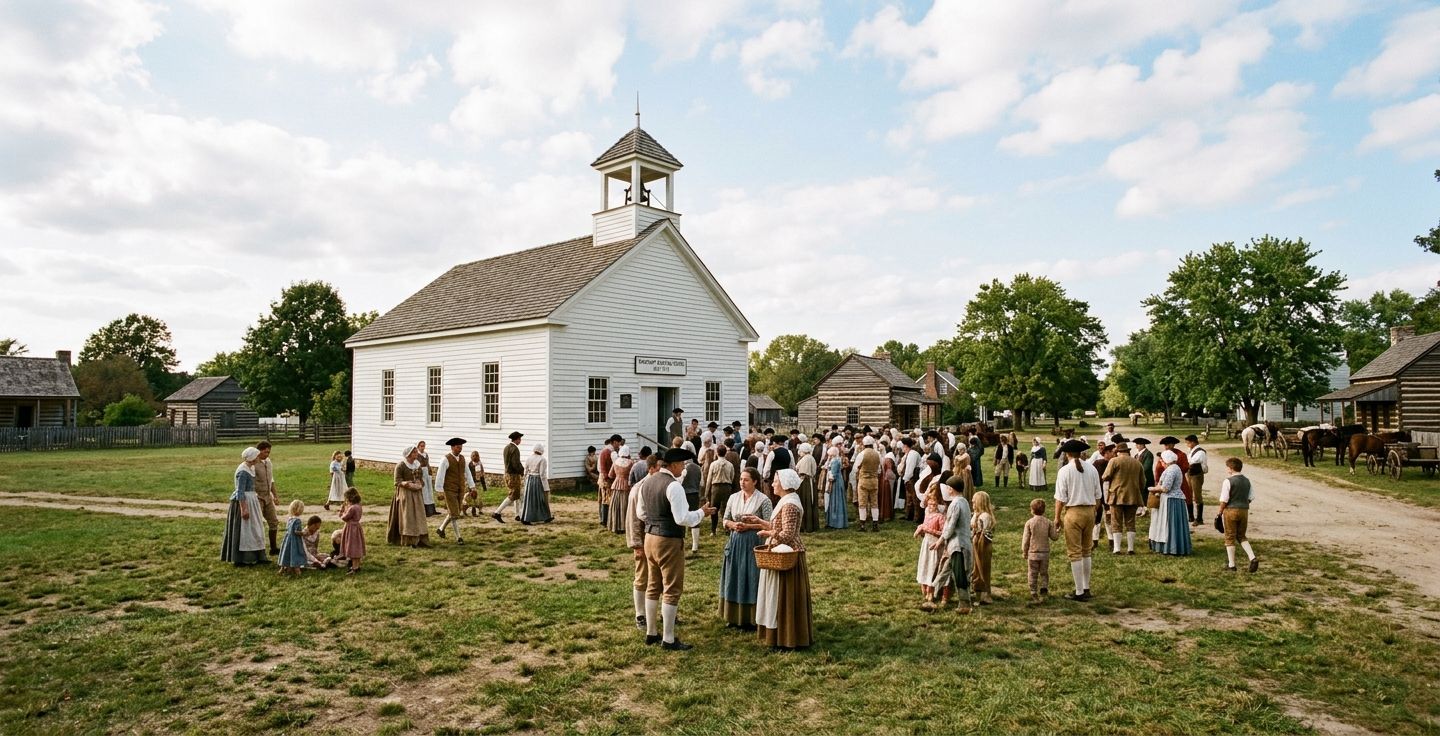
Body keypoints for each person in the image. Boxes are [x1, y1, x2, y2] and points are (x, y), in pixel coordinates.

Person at [637, 447, 717, 650]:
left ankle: (651, 632)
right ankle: (669, 638)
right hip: (668, 539)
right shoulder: (673, 486)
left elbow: (641, 512)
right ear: (672, 465)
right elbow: (682, 518)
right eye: (681, 464)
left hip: (649, 537)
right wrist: (701, 513)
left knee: (653, 586)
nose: (683, 467)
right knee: (672, 588)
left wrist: (655, 522)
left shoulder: (647, 482)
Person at [748, 468, 813, 650]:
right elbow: (781, 526)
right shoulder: (786, 501)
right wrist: (760, 522)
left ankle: (786, 635)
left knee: (782, 596)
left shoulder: (790, 504)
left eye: (776, 481)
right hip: (780, 551)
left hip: (787, 555)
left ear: (784, 484)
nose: (773, 484)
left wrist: (768, 532)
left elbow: (788, 534)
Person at [719, 467, 773, 630]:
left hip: (753, 543)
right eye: (741, 479)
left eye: (746, 480)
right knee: (734, 575)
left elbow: (769, 523)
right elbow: (725, 519)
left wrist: (750, 526)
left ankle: (751, 617)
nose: (742, 482)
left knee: (751, 577)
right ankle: (733, 616)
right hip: (735, 542)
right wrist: (733, 524)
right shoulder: (733, 498)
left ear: (755, 481)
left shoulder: (763, 500)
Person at [1053, 439, 1100, 601]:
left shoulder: (1065, 471)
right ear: (1081, 453)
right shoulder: (1092, 469)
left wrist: (1057, 518)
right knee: (1087, 550)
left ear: (1067, 454)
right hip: (1089, 511)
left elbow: (1060, 499)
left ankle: (1079, 591)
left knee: (1075, 552)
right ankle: (1086, 587)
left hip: (1073, 512)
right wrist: (1094, 511)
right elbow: (1098, 496)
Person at [625, 453, 664, 631]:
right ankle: (640, 614)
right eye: (659, 467)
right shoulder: (638, 488)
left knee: (662, 577)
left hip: (659, 540)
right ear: (651, 469)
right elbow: (633, 518)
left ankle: (664, 611)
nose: (662, 470)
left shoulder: (664, 486)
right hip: (644, 539)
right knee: (642, 577)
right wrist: (636, 544)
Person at [221, 447, 269, 566]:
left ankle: (259, 555)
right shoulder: (242, 471)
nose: (259, 458)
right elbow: (240, 491)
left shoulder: (251, 467)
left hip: (252, 500)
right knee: (245, 530)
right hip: (244, 502)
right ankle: (243, 558)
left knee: (255, 529)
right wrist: (244, 509)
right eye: (257, 456)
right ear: (252, 457)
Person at [932, 479, 974, 614]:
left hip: (958, 545)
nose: (947, 490)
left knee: (959, 574)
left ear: (953, 488)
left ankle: (965, 604)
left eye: (948, 487)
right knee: (944, 571)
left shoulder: (955, 504)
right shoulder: (965, 502)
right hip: (961, 543)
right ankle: (932, 596)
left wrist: (940, 541)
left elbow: (950, 526)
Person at [1102, 439, 1144, 554]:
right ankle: (1131, 548)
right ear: (1127, 451)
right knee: (1131, 522)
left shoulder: (1114, 461)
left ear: (1117, 451)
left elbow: (1105, 476)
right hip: (1133, 496)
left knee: (1116, 522)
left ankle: (1117, 549)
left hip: (1117, 496)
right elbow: (1143, 483)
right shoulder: (1137, 463)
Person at [1218, 456, 1259, 572]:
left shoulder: (1228, 481)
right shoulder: (1247, 480)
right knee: (1241, 536)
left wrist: (1220, 512)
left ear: (1231, 468)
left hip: (1230, 510)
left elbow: (1224, 499)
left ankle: (1232, 565)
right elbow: (1251, 497)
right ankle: (1252, 557)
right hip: (1244, 510)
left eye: (1227, 467)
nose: (1227, 470)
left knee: (1230, 537)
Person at [1148, 449, 1192, 556]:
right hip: (1173, 499)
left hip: (1171, 500)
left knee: (1169, 524)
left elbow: (1166, 488)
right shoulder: (1174, 468)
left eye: (1162, 460)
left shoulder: (1172, 470)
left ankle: (1172, 547)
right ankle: (1175, 546)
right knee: (1172, 524)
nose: (1161, 463)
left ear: (1167, 460)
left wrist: (1152, 489)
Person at [388, 446, 430, 547]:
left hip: (417, 493)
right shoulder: (401, 465)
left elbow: (420, 478)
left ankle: (420, 538)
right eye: (415, 452)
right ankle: (409, 540)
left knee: (419, 515)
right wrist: (407, 484)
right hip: (405, 493)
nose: (416, 454)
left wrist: (419, 484)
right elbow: (397, 481)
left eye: (416, 452)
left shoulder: (417, 465)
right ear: (409, 454)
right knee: (408, 516)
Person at [435, 438, 475, 544]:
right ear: (452, 447)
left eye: (461, 447)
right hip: (449, 490)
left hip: (460, 489)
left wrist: (472, 486)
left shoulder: (462, 459)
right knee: (454, 513)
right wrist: (439, 490)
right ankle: (459, 537)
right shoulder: (446, 459)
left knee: (456, 511)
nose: (460, 449)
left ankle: (441, 529)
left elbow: (468, 473)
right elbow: (440, 475)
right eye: (458, 447)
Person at [1020, 498, 1059, 603]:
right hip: (1045, 553)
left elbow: (1025, 539)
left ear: (1032, 510)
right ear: (1044, 510)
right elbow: (1054, 537)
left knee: (1032, 572)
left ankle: (1033, 590)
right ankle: (1044, 587)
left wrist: (1024, 551)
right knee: (1044, 572)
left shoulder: (1029, 523)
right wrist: (1057, 530)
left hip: (1033, 553)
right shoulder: (1048, 522)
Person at [915, 485, 946, 610]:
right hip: (926, 543)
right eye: (929, 504)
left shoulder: (940, 516)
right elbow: (924, 524)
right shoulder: (927, 513)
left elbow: (943, 533)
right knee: (925, 564)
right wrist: (920, 529)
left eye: (934, 504)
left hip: (935, 543)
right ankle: (925, 587)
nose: (931, 506)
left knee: (933, 566)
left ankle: (932, 590)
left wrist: (928, 530)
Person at [254, 441, 280, 555]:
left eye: (269, 452)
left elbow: (271, 480)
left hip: (267, 496)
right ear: (259, 451)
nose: (267, 454)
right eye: (265, 452)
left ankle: (273, 548)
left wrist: (275, 495)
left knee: (274, 521)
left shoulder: (269, 462)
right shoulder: (253, 463)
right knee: (257, 523)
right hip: (257, 496)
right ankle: (258, 549)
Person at [969, 490, 996, 604]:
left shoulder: (985, 516)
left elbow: (983, 533)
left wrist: (977, 539)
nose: (973, 504)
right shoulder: (976, 514)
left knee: (983, 568)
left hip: (982, 545)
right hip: (975, 543)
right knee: (975, 568)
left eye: (974, 502)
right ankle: (978, 592)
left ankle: (985, 593)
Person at [492, 431, 525, 523]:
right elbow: (516, 464)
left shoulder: (506, 448)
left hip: (506, 474)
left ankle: (517, 514)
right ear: (517, 439)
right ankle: (497, 512)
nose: (520, 441)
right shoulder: (515, 449)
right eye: (520, 439)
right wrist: (522, 471)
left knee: (517, 494)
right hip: (513, 475)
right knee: (513, 495)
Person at [706, 444, 738, 536]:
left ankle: (713, 530)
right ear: (725, 453)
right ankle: (727, 529)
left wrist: (706, 492)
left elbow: (709, 479)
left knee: (714, 509)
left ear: (717, 452)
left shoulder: (713, 464)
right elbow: (732, 477)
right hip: (727, 487)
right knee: (726, 508)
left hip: (716, 487)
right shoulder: (730, 465)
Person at [517, 443, 553, 525]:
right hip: (538, 480)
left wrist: (526, 480)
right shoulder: (542, 459)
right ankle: (545, 517)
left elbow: (525, 471)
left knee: (529, 499)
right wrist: (546, 486)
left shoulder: (529, 458)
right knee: (541, 499)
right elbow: (542, 474)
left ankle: (525, 517)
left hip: (530, 480)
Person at [855, 436, 882, 532]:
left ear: (864, 444)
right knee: (874, 503)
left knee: (862, 503)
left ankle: (862, 524)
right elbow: (879, 470)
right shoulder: (877, 454)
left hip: (864, 480)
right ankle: (875, 524)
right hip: (874, 480)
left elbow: (855, 468)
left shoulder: (861, 454)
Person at [607, 446, 635, 535]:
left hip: (616, 485)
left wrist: (618, 475)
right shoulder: (631, 463)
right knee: (625, 505)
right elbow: (632, 475)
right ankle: (624, 526)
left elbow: (610, 475)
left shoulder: (615, 462)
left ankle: (615, 525)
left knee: (616, 505)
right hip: (626, 485)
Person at [276, 499, 308, 575]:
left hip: (287, 539)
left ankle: (283, 568)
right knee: (295, 552)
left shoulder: (290, 519)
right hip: (295, 541)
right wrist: (303, 533)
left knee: (286, 552)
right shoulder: (298, 521)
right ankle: (296, 568)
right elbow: (296, 532)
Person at [1184, 434, 1209, 526]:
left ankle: (1199, 518)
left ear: (1193, 442)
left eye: (1188, 443)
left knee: (1197, 495)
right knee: (1188, 494)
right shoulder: (1191, 451)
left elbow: (1192, 462)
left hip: (1196, 474)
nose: (1187, 445)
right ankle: (1191, 516)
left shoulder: (1200, 452)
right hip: (1190, 473)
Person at [339, 487, 365, 574]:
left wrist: (342, 512)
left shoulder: (352, 508)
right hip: (356, 527)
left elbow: (345, 518)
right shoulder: (359, 506)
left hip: (350, 528)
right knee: (357, 547)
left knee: (352, 547)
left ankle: (354, 568)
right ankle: (356, 566)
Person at [598, 434, 622, 527]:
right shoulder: (607, 451)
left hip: (608, 477)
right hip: (605, 478)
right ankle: (604, 519)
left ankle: (606, 519)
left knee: (607, 499)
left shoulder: (610, 450)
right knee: (605, 499)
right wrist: (607, 477)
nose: (619, 445)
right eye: (618, 443)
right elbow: (603, 466)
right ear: (615, 442)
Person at [823, 445, 848, 529]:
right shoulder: (836, 460)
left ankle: (836, 522)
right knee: (834, 501)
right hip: (837, 481)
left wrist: (829, 480)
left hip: (835, 483)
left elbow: (833, 474)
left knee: (835, 501)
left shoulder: (835, 461)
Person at [416, 440, 437, 516]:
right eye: (421, 446)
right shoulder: (417, 455)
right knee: (424, 492)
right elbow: (416, 465)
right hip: (422, 473)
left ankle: (433, 510)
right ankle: (426, 511)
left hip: (427, 473)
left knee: (430, 491)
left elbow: (428, 463)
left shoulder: (426, 454)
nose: (422, 447)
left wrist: (430, 471)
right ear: (418, 447)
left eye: (423, 446)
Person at [465, 450, 486, 516]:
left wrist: (484, 485)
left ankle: (480, 510)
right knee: (473, 497)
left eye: (476, 455)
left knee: (479, 498)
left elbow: (482, 475)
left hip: (478, 483)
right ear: (471, 457)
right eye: (473, 456)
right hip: (472, 483)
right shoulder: (470, 465)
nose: (475, 457)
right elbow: (468, 475)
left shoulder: (480, 464)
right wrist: (469, 484)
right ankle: (473, 511)